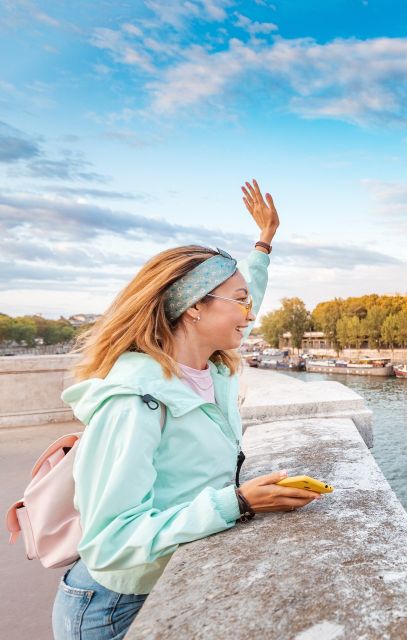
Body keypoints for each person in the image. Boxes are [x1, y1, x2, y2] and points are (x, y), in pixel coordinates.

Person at [52, 180, 321, 640]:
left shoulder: (210, 371)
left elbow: (244, 290)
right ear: (194, 309)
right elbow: (109, 542)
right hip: (117, 606)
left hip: (157, 585)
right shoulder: (135, 400)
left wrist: (264, 241)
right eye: (240, 302)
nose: (251, 313)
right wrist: (236, 502)